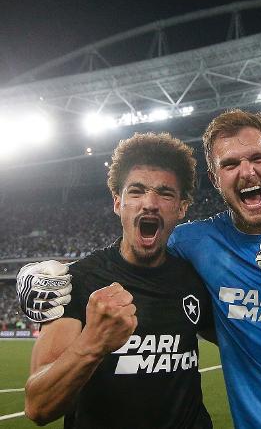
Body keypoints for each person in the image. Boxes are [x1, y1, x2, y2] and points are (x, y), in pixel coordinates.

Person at [18, 109, 261, 428]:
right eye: (230, 164)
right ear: (215, 177)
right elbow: (38, 405)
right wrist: (46, 270)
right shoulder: (194, 243)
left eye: (257, 158)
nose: (246, 171)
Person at [19, 133, 214, 429]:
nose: (150, 203)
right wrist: (93, 343)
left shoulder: (195, 278)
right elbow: (38, 406)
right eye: (136, 191)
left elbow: (242, 337)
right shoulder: (80, 281)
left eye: (165, 193)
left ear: (182, 208)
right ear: (117, 203)